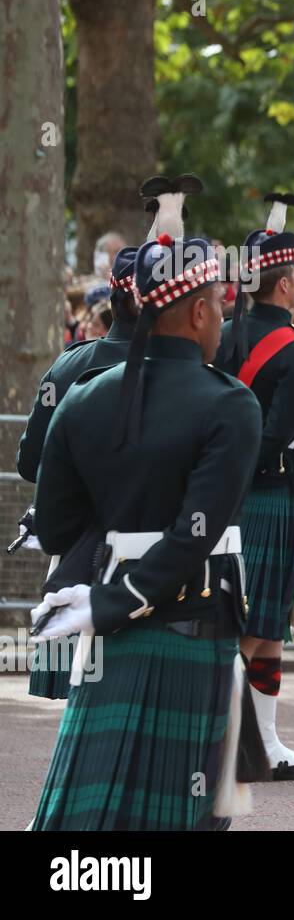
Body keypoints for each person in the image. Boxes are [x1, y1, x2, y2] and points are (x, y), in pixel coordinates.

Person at [29, 194, 265, 830]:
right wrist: (117, 596)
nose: (222, 319)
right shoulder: (231, 404)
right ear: (194, 311)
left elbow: (53, 525)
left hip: (107, 627)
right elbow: (195, 533)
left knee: (93, 824)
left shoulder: (82, 397)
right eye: (218, 304)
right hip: (192, 624)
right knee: (189, 818)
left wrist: (107, 590)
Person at [218, 192, 294, 782]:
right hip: (269, 497)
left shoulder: (226, 335)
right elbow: (279, 434)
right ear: (285, 286)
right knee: (257, 628)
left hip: (224, 496)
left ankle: (269, 742)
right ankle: (227, 742)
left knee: (266, 626)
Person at [17, 242, 144, 701]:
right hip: (158, 554)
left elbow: (30, 464)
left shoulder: (71, 363)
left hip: (75, 546)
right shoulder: (191, 373)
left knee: (81, 694)